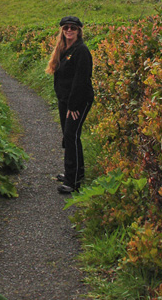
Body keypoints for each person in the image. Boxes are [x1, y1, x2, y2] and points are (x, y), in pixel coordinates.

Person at [46, 16, 94, 194]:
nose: (69, 30)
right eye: (66, 28)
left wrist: (74, 106)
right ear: (62, 30)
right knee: (70, 137)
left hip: (79, 100)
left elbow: (81, 81)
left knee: (71, 135)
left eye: (73, 28)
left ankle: (72, 182)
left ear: (79, 30)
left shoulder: (81, 50)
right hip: (66, 100)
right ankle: (74, 173)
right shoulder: (64, 49)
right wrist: (64, 101)